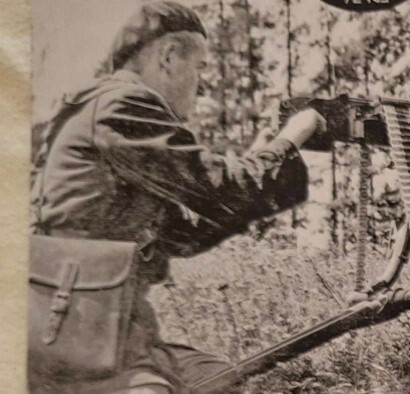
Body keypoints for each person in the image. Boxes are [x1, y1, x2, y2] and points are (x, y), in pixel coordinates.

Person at [29, 2, 325, 393]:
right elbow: (223, 190)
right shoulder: (123, 106)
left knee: (217, 376)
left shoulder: (91, 109)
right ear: (168, 56)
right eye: (200, 68)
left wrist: (259, 166)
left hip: (83, 326)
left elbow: (184, 234)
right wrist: (292, 137)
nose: (200, 85)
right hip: (78, 340)